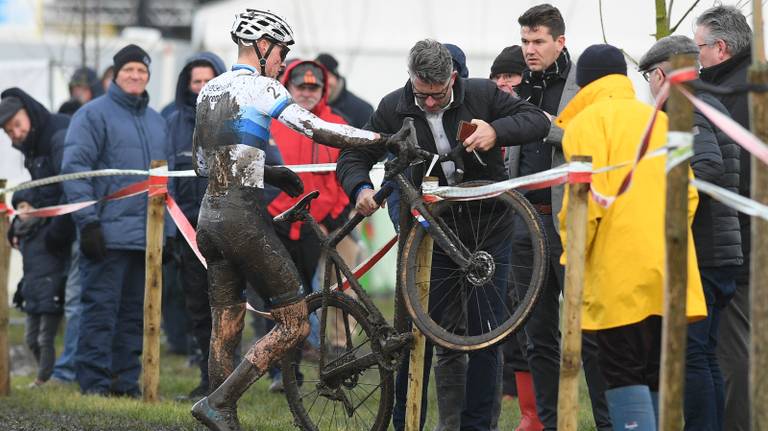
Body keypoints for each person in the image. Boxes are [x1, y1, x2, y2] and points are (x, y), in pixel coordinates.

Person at [189, 9, 394, 431]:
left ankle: (222, 416)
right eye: (282, 51)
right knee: (296, 322)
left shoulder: (209, 89)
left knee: (225, 323)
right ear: (262, 47)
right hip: (243, 220)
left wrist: (269, 172)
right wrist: (382, 139)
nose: (283, 60)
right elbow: (317, 129)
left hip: (208, 220)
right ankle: (219, 400)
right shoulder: (264, 87)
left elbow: (201, 164)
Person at [337, 38, 550, 431]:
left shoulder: (485, 94)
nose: (431, 104)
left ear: (453, 77)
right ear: (411, 79)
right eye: (423, 95)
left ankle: (475, 426)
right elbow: (353, 154)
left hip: (488, 230)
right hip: (427, 235)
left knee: (487, 336)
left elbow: (538, 121)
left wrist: (495, 130)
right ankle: (406, 422)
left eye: (438, 95)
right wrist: (360, 189)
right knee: (417, 333)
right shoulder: (391, 107)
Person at [556, 43, 707, 431]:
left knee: (622, 369)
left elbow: (585, 203)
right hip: (668, 269)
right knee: (656, 369)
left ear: (583, 83)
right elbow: (688, 195)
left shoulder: (586, 124)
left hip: (617, 269)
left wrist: (572, 257)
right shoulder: (659, 120)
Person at [512, 5, 611, 430]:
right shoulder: (520, 86)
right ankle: (550, 424)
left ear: (560, 42)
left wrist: (542, 124)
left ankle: (608, 422)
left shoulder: (583, 85)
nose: (529, 50)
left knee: (589, 333)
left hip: (567, 223)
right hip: (523, 223)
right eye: (525, 41)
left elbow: (587, 137)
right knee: (537, 338)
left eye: (537, 42)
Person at [640, 34, 742, 431]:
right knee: (705, 356)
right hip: (720, 249)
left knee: (691, 357)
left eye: (649, 76)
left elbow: (707, 167)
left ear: (662, 74)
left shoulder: (683, 105)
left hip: (701, 253)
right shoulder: (708, 102)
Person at [61, 44, 171, 397]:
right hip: (105, 236)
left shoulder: (157, 122)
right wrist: (88, 223)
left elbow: (165, 184)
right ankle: (93, 383)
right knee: (99, 312)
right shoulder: (92, 115)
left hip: (145, 238)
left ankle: (124, 383)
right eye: (129, 70)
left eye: (141, 71)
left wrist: (166, 234)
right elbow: (76, 170)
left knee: (133, 317)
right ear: (115, 74)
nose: (135, 76)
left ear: (148, 76)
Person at [694, 7, 753, 430]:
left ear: (720, 47)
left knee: (730, 353)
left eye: (698, 49)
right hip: (746, 236)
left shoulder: (725, 98)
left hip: (737, 242)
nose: (695, 60)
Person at [486, 42, 546, 430]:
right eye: (498, 76)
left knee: (537, 320)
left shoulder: (531, 116)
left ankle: (541, 410)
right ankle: (529, 412)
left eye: (510, 75)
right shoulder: (490, 114)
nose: (503, 82)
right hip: (502, 226)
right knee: (512, 313)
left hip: (540, 220)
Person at [1, 88, 71, 387]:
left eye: (18, 124)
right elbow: (40, 188)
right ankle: (49, 376)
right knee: (35, 334)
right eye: (8, 130)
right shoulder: (32, 147)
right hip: (43, 251)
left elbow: (65, 186)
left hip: (63, 236)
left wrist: (57, 231)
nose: (15, 133)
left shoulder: (57, 136)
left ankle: (56, 375)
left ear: (29, 113)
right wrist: (21, 207)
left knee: (47, 333)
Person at [167, 51, 227, 400]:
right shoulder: (172, 121)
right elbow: (166, 177)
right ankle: (208, 379)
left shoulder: (235, 117)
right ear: (187, 85)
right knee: (197, 308)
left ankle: (229, 378)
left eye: (208, 80)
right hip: (189, 232)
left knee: (229, 306)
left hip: (228, 227)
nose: (202, 87)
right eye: (196, 81)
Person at [314, 52, 374, 128]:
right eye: (317, 77)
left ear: (336, 77)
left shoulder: (362, 110)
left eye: (327, 76)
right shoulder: (307, 106)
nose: (322, 82)